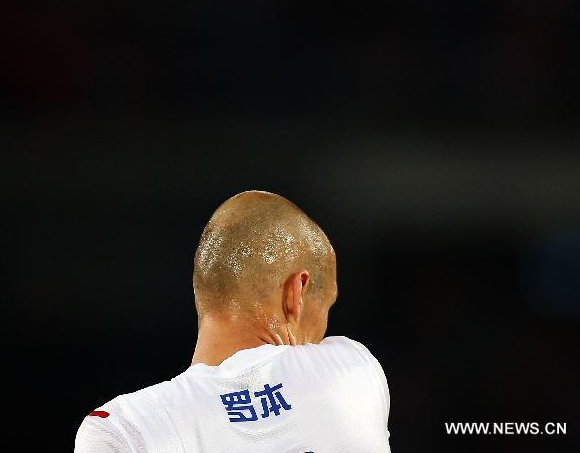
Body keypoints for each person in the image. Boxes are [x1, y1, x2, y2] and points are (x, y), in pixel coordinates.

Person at [74, 190, 390, 452]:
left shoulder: (123, 429)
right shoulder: (353, 370)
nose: (323, 336)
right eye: (326, 310)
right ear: (297, 293)